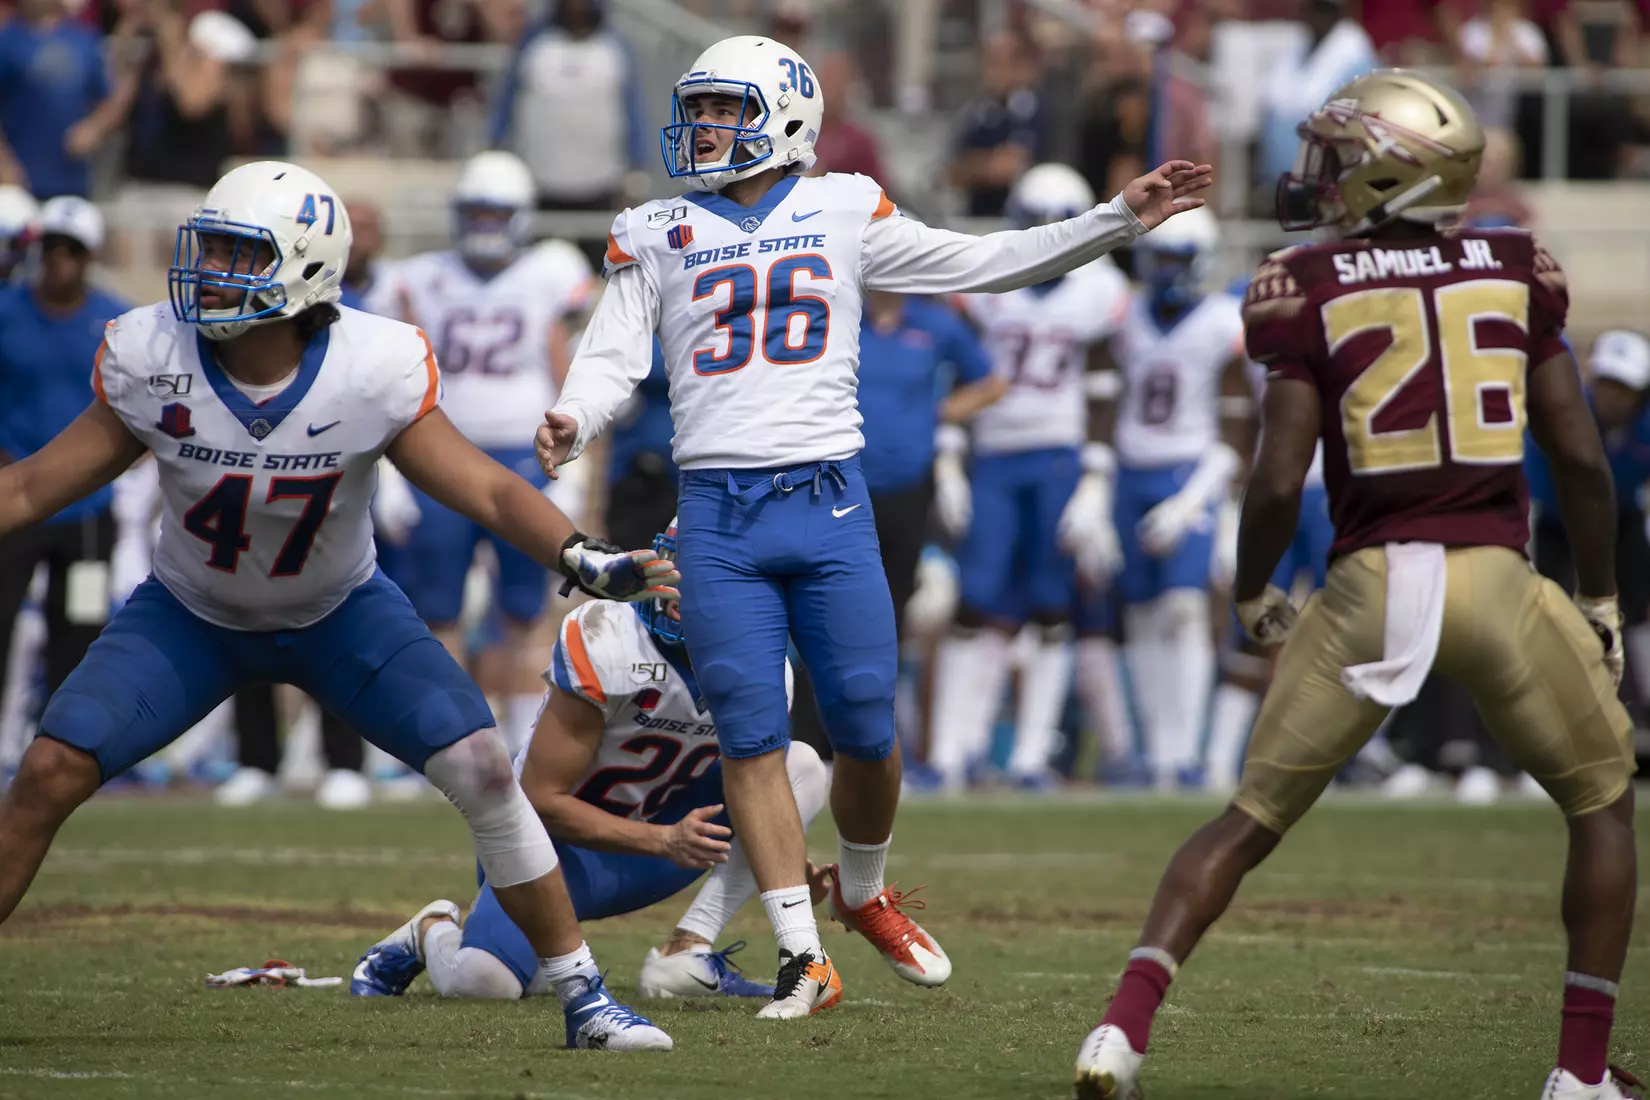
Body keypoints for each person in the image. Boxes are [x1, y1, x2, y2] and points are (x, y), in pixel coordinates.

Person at [536, 32, 1212, 1019]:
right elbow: (609, 356)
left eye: (727, 109)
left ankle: (861, 884)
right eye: (703, 109)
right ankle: (804, 957)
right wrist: (573, 413)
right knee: (753, 737)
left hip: (829, 501)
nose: (706, 127)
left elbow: (981, 262)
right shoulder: (655, 226)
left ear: (789, 119)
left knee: (865, 725)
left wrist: (1113, 220)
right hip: (717, 512)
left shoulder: (843, 203)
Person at [0, 159, 683, 1052]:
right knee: (48, 771)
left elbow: (482, 486)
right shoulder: (149, 352)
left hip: (339, 614)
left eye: (240, 255)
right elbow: (28, 491)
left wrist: (580, 554)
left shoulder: (372, 364)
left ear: (304, 270)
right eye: (209, 249)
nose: (210, 271)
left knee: (483, 766)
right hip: (188, 614)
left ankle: (585, 997)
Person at [1072, 71, 1638, 1100]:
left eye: (1338, 158)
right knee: (1601, 807)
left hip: (1371, 581)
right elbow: (1584, 459)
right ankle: (1581, 1069)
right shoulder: (1515, 264)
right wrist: (1598, 596)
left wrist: (1252, 590)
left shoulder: (1308, 282)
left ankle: (1119, 1030)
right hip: (1500, 581)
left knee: (1245, 819)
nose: (1316, 177)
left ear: (1392, 172)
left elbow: (1279, 474)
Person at [355, 520, 833, 1002]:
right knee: (484, 981)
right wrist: (663, 839)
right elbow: (539, 800)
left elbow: (751, 791)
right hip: (556, 850)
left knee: (803, 767)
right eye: (679, 567)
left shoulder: (768, 669)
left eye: (708, 574)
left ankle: (688, 950)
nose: (682, 586)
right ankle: (434, 929)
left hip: (665, 842)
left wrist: (783, 864)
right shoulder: (609, 636)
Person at [367, 151, 594, 758]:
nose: (486, 224)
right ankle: (453, 745)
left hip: (526, 456)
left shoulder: (549, 270)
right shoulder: (419, 278)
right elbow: (397, 370)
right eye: (477, 211)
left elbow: (563, 368)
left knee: (525, 615)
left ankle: (522, 746)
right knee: (436, 614)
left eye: (498, 212)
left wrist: (576, 469)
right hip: (440, 457)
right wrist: (389, 471)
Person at [928, 163, 1130, 792]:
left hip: (1057, 456)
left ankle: (1029, 757)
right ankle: (950, 752)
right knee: (973, 599)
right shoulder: (989, 281)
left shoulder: (1099, 291)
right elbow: (964, 378)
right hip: (994, 455)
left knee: (1051, 605)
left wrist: (1096, 480)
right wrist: (949, 460)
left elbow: (1103, 389)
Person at [789, 285, 1001, 763]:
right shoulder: (836, 314)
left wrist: (935, 416)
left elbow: (990, 383)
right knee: (820, 609)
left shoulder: (935, 324)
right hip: (837, 482)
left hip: (906, 489)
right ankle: (810, 740)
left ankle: (872, 744)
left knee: (891, 614)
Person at [1104, 206, 1249, 790]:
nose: (1162, 271)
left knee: (1184, 610)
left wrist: (1197, 499)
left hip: (1189, 469)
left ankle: (1186, 752)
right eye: (1155, 258)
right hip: (1130, 471)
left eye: (1173, 258)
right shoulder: (1126, 316)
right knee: (1140, 614)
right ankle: (1156, 752)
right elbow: (1102, 396)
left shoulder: (1221, 321)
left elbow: (1240, 419)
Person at [0, 197, 131, 725]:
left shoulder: (115, 322)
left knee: (78, 629)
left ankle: (59, 744)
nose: (59, 258)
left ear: (90, 255)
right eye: (51, 246)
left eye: (71, 249)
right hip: (15, 497)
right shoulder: (6, 311)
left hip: (87, 508)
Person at [0, 0, 127, 200]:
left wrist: (93, 128)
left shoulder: (85, 40)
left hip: (72, 181)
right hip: (19, 181)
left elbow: (111, 100)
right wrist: (4, 164)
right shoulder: (7, 41)